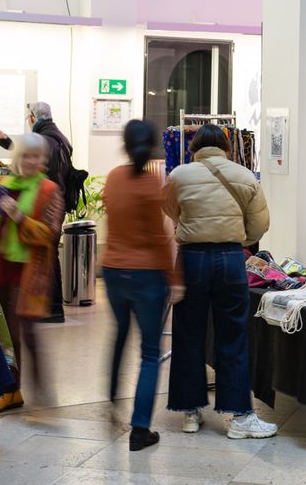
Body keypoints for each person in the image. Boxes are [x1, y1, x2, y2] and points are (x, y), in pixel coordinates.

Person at [164, 124, 276, 440]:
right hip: (230, 258)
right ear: (226, 147)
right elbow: (260, 224)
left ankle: (190, 412)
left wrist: (189, 227)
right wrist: (237, 237)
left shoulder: (179, 175)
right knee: (233, 336)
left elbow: (170, 210)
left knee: (188, 334)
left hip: (191, 259)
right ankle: (240, 416)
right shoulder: (244, 176)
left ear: (194, 147)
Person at [100, 120, 181, 452]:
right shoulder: (152, 185)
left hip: (113, 270)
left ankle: (110, 396)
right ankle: (140, 429)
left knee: (119, 333)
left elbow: (113, 220)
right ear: (152, 148)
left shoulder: (114, 178)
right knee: (150, 353)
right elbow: (159, 240)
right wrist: (175, 280)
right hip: (147, 275)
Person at [0, 133, 63, 410]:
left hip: (25, 274)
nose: (30, 161)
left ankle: (28, 388)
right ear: (17, 158)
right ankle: (8, 388)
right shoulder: (2, 183)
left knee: (23, 335)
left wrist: (18, 216)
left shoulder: (49, 190)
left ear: (43, 159)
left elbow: (48, 234)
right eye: (25, 155)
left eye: (36, 156)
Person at [26, 101, 72, 323]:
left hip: (47, 203)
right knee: (49, 253)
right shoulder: (60, 137)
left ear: (33, 118)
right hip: (58, 200)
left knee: (46, 254)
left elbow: (44, 174)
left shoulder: (44, 140)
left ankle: (53, 309)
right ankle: (52, 308)